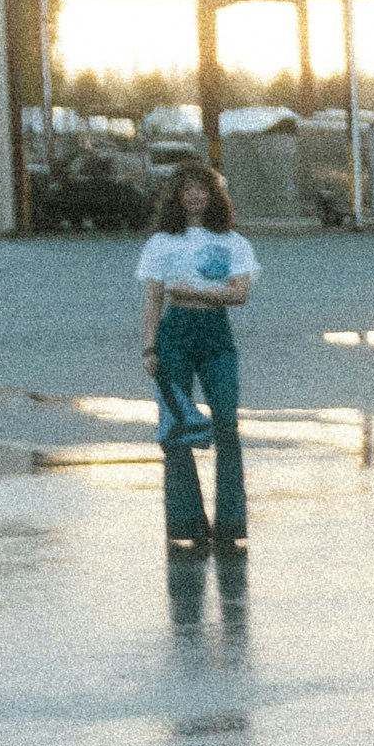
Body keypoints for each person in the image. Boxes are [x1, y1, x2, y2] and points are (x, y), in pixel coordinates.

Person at [136, 160, 257, 560]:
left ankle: (231, 523)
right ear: (176, 196)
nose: (193, 195)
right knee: (177, 428)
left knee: (227, 422)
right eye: (185, 189)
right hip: (175, 336)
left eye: (201, 188)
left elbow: (240, 294)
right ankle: (186, 523)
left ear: (213, 195)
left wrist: (192, 292)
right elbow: (155, 299)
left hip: (217, 336)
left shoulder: (233, 242)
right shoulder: (161, 244)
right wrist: (149, 347)